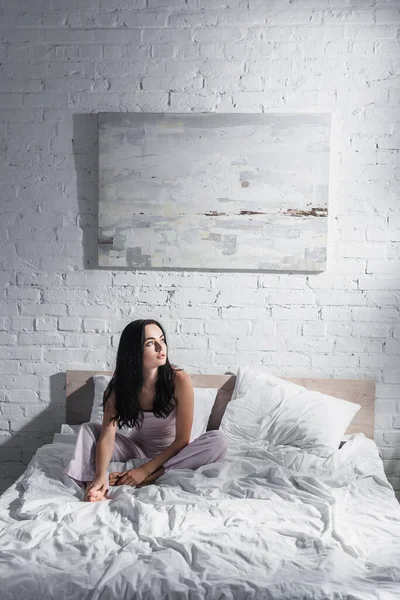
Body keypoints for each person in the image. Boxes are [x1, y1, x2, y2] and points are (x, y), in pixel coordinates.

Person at [63, 319, 228, 502]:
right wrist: (101, 474)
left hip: (175, 451)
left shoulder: (179, 379)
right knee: (88, 430)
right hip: (137, 447)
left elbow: (182, 440)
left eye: (162, 340)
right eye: (150, 343)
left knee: (218, 440)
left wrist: (145, 471)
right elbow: (108, 436)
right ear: (135, 351)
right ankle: (94, 486)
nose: (160, 347)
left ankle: (152, 478)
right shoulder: (119, 386)